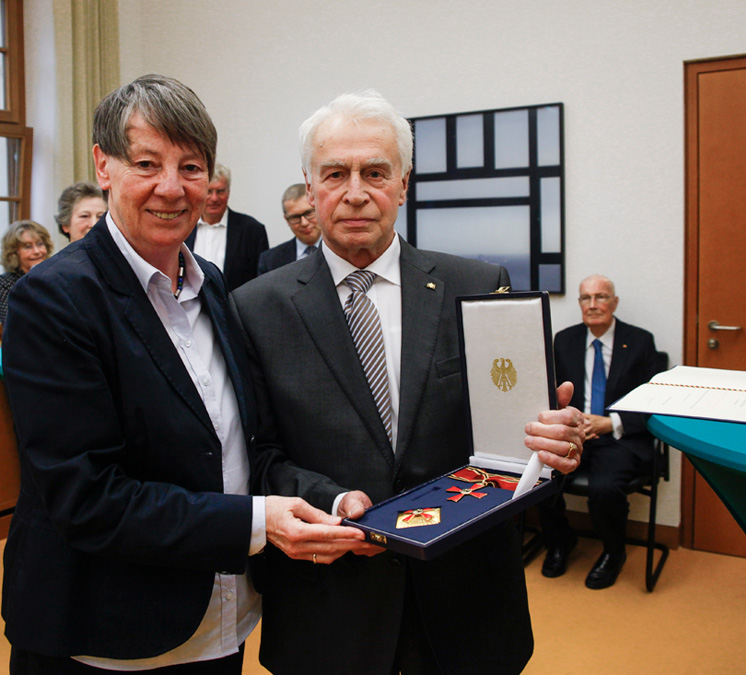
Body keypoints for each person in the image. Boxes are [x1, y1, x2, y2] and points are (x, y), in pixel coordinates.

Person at [0, 74, 363, 674]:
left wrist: (325, 497)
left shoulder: (214, 287)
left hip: (221, 622)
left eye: (191, 167)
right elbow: (87, 498)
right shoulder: (53, 300)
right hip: (108, 638)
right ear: (104, 166)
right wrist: (258, 521)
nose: (171, 188)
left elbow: (242, 446)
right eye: (148, 163)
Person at [230, 90, 585, 674]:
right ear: (310, 184)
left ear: (403, 183)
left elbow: (515, 433)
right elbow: (259, 455)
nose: (355, 192)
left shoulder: (479, 286)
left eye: (375, 172)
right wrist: (335, 500)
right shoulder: (255, 307)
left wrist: (551, 439)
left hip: (464, 598)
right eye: (335, 173)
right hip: (331, 603)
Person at [539, 274, 658, 589]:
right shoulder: (565, 340)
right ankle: (562, 540)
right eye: (585, 298)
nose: (593, 305)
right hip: (575, 434)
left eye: (601, 297)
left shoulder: (640, 341)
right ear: (579, 303)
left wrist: (611, 422)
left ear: (614, 302)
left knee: (604, 488)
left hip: (619, 438)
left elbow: (654, 401)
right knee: (540, 477)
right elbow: (553, 393)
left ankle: (613, 552)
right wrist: (570, 421)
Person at [185, 164, 269, 290]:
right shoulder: (183, 226)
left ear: (228, 192)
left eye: (220, 191)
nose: (214, 198)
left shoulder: (252, 230)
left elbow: (262, 281)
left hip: (236, 307)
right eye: (209, 191)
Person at [0, 220, 53, 325]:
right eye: (28, 247)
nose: (37, 251)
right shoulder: (5, 282)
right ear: (14, 253)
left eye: (40, 244)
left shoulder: (56, 275)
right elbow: (13, 324)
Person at [257, 183, 321, 275]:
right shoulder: (270, 261)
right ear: (286, 220)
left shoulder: (342, 249)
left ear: (319, 209)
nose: (304, 223)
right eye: (295, 217)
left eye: (308, 213)